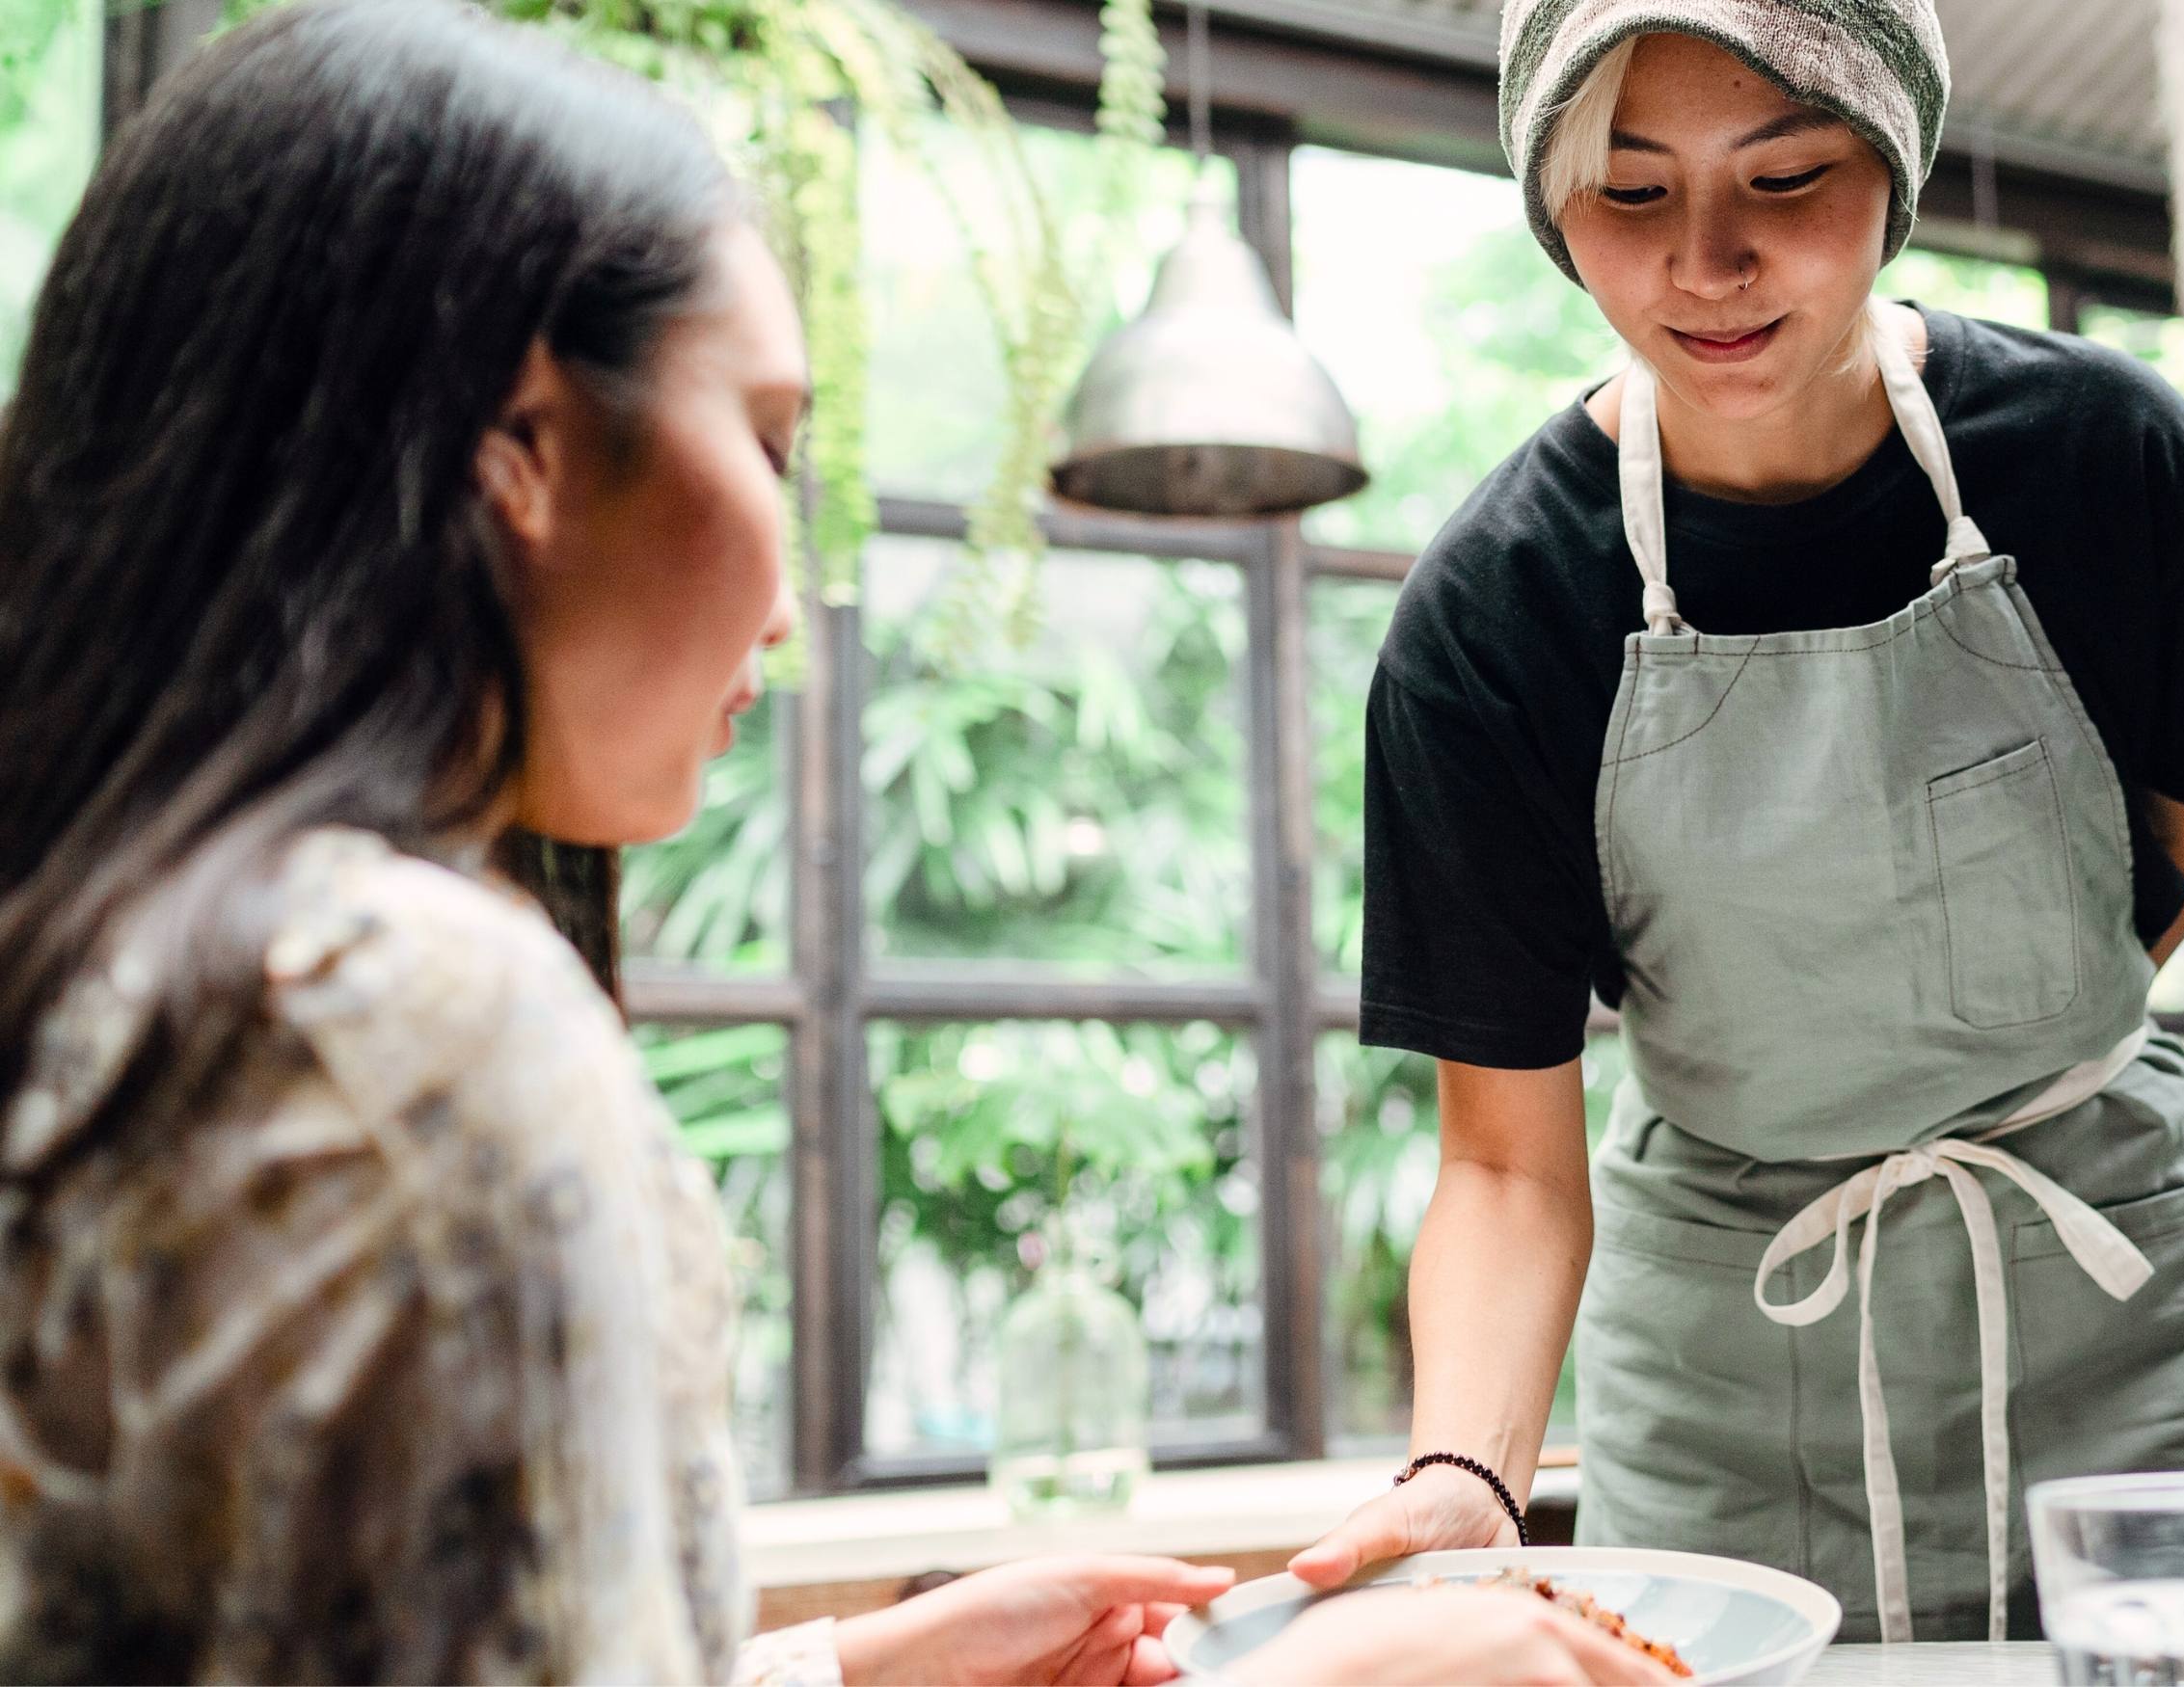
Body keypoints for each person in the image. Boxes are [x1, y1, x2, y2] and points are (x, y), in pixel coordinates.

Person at [0, 5, 1666, 1683]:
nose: (790, 607)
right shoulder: (405, 1021)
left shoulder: (126, 955)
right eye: (774, 445)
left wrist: (865, 1666)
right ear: (520, 447)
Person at [1292, 0, 2184, 1645]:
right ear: (1551, 208)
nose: (1706, 262)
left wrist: (2016, 1016)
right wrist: (1465, 1475)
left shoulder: (2097, 456)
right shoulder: (1496, 609)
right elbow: (1500, 1159)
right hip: (1725, 1349)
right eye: (1629, 194)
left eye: (1786, 176)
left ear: (1893, 168)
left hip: (2114, 1311)